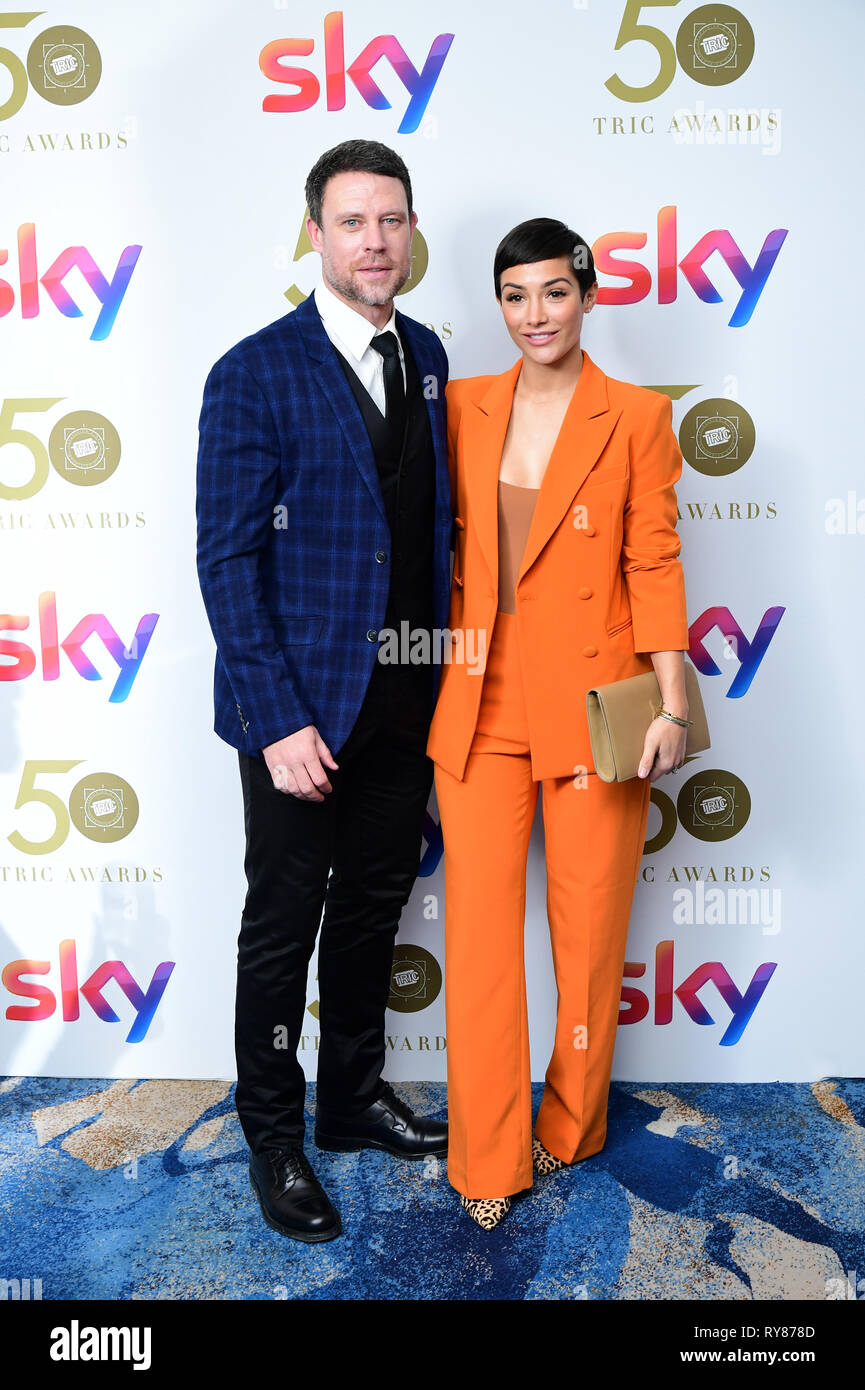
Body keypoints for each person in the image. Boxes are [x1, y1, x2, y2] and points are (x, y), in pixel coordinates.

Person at [196, 139, 452, 1243]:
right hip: (298, 708)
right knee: (281, 924)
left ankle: (348, 1100)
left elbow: (432, 531)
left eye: (390, 220)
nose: (375, 241)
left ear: (410, 229)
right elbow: (226, 559)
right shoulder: (253, 369)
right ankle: (274, 1137)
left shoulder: (430, 351)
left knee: (367, 912)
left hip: (406, 692)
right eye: (352, 222)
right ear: (314, 233)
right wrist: (275, 720)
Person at [426, 217, 691, 1230]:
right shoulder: (458, 406)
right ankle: (487, 1157)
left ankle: (571, 1123)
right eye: (514, 295)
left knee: (587, 941)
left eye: (552, 292)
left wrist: (670, 700)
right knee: (484, 945)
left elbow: (654, 563)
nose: (534, 314)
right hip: (479, 701)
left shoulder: (634, 415)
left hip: (596, 704)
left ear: (586, 296)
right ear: (498, 305)